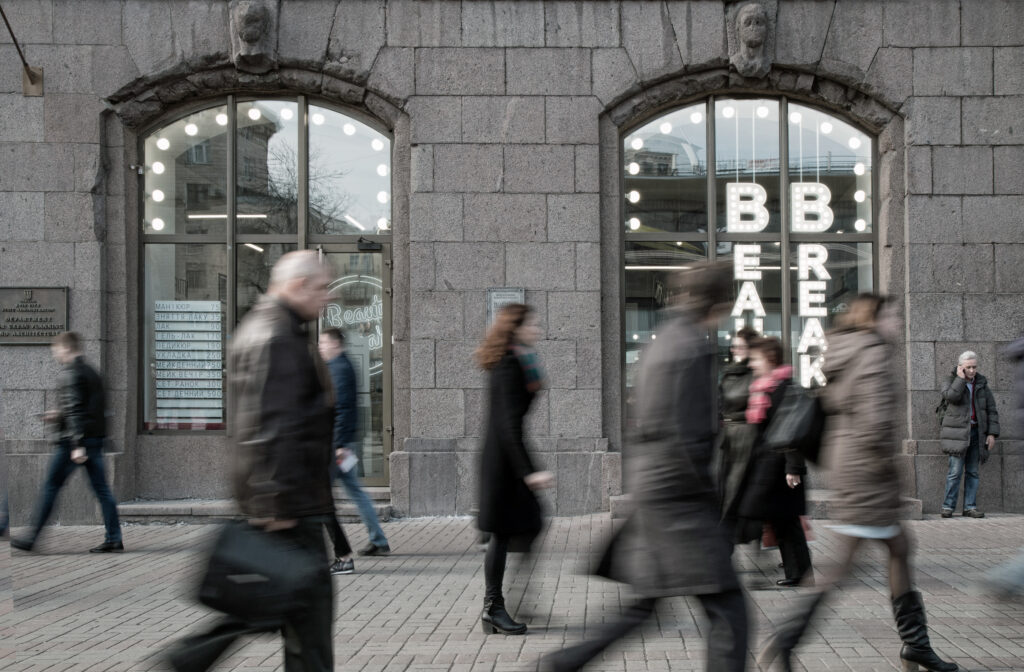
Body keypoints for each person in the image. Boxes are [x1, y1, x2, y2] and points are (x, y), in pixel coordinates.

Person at [541, 262, 748, 672]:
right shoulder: (692, 347)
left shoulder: (665, 339)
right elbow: (687, 438)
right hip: (682, 503)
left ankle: (563, 663)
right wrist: (712, 507)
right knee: (730, 616)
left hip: (657, 494)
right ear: (721, 300)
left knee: (645, 605)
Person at [759, 294, 958, 672]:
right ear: (875, 317)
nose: (897, 322)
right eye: (892, 315)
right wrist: (889, 472)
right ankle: (785, 641)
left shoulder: (844, 351)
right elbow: (876, 422)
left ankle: (915, 645)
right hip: (869, 474)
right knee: (843, 567)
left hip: (852, 468)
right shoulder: (872, 353)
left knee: (898, 548)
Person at [166, 250, 335, 672]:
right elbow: (270, 426)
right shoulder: (277, 336)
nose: (327, 297)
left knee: (274, 606)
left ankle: (188, 658)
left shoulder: (271, 328)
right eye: (322, 287)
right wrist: (274, 505)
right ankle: (186, 659)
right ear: (297, 285)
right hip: (288, 509)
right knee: (305, 621)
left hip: (286, 503)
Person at [474, 303, 553, 636]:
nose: (537, 329)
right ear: (516, 327)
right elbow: (508, 425)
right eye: (532, 324)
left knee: (528, 524)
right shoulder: (508, 364)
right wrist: (529, 471)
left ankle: (511, 598)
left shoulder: (519, 359)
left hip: (507, 459)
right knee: (503, 535)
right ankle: (494, 606)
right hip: (503, 462)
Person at [11, 331, 123, 553]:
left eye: (57, 350)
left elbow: (75, 411)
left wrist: (76, 444)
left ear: (67, 348)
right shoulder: (93, 373)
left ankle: (32, 538)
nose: (56, 355)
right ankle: (114, 538)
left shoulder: (71, 373)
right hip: (93, 440)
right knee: (102, 490)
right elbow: (89, 409)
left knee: (51, 486)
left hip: (73, 443)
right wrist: (59, 415)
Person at [734, 336, 812, 587]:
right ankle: (798, 573)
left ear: (770, 360)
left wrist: (793, 468)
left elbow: (793, 430)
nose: (752, 364)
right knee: (783, 522)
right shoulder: (767, 388)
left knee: (782, 521)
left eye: (756, 359)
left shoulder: (783, 389)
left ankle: (798, 573)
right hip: (769, 466)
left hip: (780, 469)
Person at [319, 327, 391, 559]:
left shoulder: (339, 368)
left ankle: (326, 548)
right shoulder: (339, 366)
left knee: (320, 496)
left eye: (324, 342)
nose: (321, 347)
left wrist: (339, 444)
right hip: (344, 444)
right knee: (355, 491)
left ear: (335, 344)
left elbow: (343, 409)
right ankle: (378, 540)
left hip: (339, 446)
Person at [939, 350, 999, 518]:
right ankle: (948, 506)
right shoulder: (950, 381)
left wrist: (992, 434)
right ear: (960, 367)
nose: (972, 370)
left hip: (977, 433)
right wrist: (960, 379)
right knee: (955, 472)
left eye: (974, 367)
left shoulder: (981, 383)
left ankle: (969, 507)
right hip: (957, 434)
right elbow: (951, 397)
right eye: (968, 367)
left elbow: (991, 410)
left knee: (973, 472)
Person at [717, 326, 759, 543]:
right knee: (725, 492)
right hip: (727, 439)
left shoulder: (754, 374)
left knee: (734, 493)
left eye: (740, 346)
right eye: (734, 346)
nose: (735, 350)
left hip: (746, 438)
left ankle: (727, 545)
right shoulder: (729, 371)